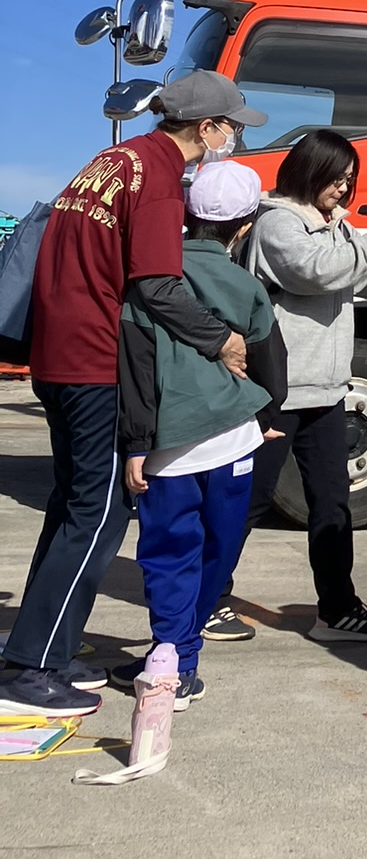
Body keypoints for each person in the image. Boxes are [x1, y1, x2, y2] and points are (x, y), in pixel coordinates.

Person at [0, 72, 266, 720]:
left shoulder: (112, 162)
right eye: (230, 126)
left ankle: (49, 650)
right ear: (204, 127)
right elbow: (157, 286)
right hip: (93, 363)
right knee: (99, 516)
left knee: (73, 509)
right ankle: (29, 667)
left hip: (58, 356)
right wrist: (221, 341)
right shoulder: (154, 180)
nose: (231, 137)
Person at [226, 128, 367, 642]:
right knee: (249, 498)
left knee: (332, 503)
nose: (343, 190)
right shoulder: (277, 224)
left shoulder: (335, 228)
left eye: (349, 181)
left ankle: (337, 609)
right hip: (280, 389)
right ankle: (206, 598)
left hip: (328, 389)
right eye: (336, 179)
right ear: (308, 171)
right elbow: (315, 273)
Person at [111, 162, 288, 707]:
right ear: (244, 227)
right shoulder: (247, 285)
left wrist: (136, 444)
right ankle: (184, 659)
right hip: (235, 439)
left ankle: (171, 656)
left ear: (186, 216)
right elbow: (272, 361)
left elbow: (135, 367)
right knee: (219, 547)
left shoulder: (150, 279)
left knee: (168, 553)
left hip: (169, 445)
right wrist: (265, 415)